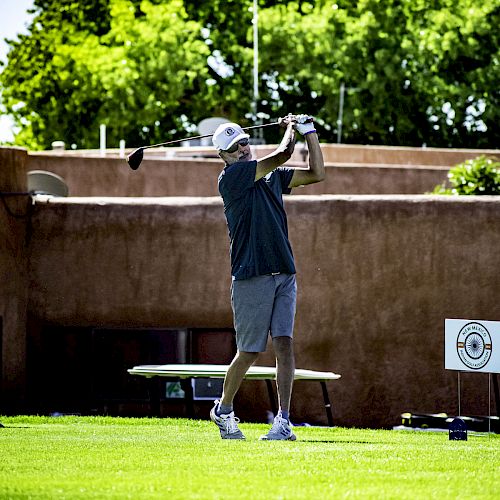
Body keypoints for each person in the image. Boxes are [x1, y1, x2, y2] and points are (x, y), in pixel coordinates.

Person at [210, 114, 325, 440]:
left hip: (283, 272)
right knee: (249, 351)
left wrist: (310, 133)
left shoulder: (272, 176)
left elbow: (317, 173)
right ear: (223, 156)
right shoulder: (230, 178)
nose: (242, 150)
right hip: (251, 276)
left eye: (244, 143)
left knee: (285, 345)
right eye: (234, 148)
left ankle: (283, 422)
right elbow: (283, 154)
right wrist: (291, 127)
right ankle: (223, 409)